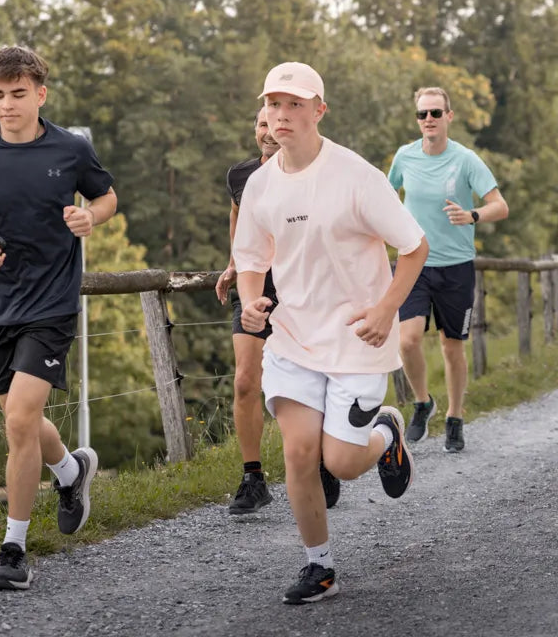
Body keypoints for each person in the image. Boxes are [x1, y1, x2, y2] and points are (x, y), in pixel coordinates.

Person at [232, 61, 429, 604]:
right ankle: (319, 566)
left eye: (295, 104)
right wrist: (252, 302)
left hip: (355, 339)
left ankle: (386, 436)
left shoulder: (356, 175)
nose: (282, 115)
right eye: (274, 104)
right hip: (293, 339)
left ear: (319, 110)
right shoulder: (260, 185)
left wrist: (388, 309)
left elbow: (414, 247)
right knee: (299, 454)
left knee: (340, 460)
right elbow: (250, 257)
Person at [0, 46, 117, 590]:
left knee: (18, 422)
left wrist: (90, 216)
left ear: (40, 93)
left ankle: (13, 549)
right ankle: (71, 471)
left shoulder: (70, 148)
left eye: (17, 94)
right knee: (23, 420)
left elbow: (107, 198)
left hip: (53, 303)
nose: (6, 105)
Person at [215, 109, 340, 513]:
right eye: (261, 125)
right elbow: (239, 216)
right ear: (255, 130)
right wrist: (235, 264)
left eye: (274, 123)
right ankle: (253, 478)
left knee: (308, 377)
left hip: (301, 287)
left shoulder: (313, 173)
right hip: (254, 289)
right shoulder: (240, 176)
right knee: (246, 380)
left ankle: (321, 460)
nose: (268, 132)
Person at [388, 87, 509, 452]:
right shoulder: (405, 157)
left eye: (435, 113)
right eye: (422, 114)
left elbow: (499, 206)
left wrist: (472, 214)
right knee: (407, 340)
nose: (428, 120)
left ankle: (455, 417)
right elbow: (384, 195)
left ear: (449, 117)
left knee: (452, 346)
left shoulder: (466, 159)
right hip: (414, 262)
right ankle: (423, 403)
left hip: (456, 266)